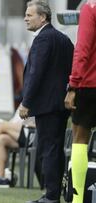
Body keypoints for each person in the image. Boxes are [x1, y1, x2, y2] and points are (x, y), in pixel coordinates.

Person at [19, 1, 74, 202]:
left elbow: (36, 73)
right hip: (60, 105)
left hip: (47, 105)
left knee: (48, 150)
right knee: (55, 149)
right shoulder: (64, 39)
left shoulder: (43, 39)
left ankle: (51, 197)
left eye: (29, 15)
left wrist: (26, 102)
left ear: (42, 17)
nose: (25, 18)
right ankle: (53, 193)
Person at [64, 1, 96, 202]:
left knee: (80, 140)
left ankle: (76, 199)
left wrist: (72, 86)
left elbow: (82, 49)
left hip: (90, 85)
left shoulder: (90, 7)